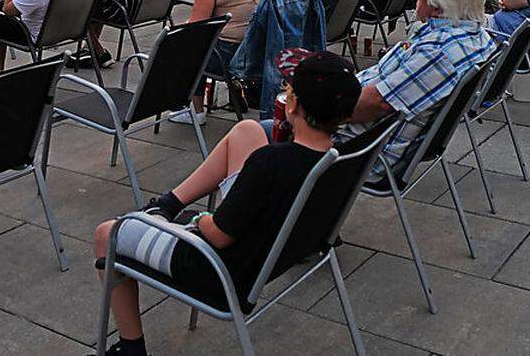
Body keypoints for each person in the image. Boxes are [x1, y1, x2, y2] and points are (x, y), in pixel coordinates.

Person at [93, 51, 363, 356]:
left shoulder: (272, 163)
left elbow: (219, 234)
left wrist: (198, 220)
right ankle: (166, 205)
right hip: (277, 247)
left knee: (107, 234)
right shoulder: (342, 159)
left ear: (294, 105)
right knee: (247, 131)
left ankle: (130, 348)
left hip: (220, 268)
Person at [344, 0, 495, 176]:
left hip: (357, 148)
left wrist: (311, 109)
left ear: (438, 6)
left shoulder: (437, 52)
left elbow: (376, 104)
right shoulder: (478, 36)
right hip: (366, 127)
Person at [175, 0, 264, 123]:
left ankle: (195, 112)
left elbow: (197, 28)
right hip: (251, 51)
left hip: (225, 55)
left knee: (185, 45)